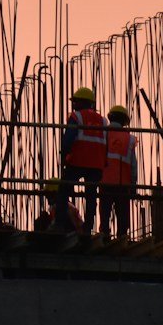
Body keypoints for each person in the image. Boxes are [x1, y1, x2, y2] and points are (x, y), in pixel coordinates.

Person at [54, 87, 106, 233]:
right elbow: (106, 143)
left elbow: (68, 139)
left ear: (82, 102)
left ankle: (59, 224)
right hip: (96, 164)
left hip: (78, 161)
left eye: (76, 101)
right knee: (91, 195)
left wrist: (64, 155)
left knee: (63, 189)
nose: (74, 104)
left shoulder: (76, 117)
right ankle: (88, 226)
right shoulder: (102, 120)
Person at [98, 105, 138, 239]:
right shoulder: (130, 139)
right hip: (123, 183)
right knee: (122, 213)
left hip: (104, 180)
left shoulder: (102, 134)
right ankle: (122, 236)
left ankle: (104, 233)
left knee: (105, 211)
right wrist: (133, 185)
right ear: (124, 121)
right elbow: (133, 166)